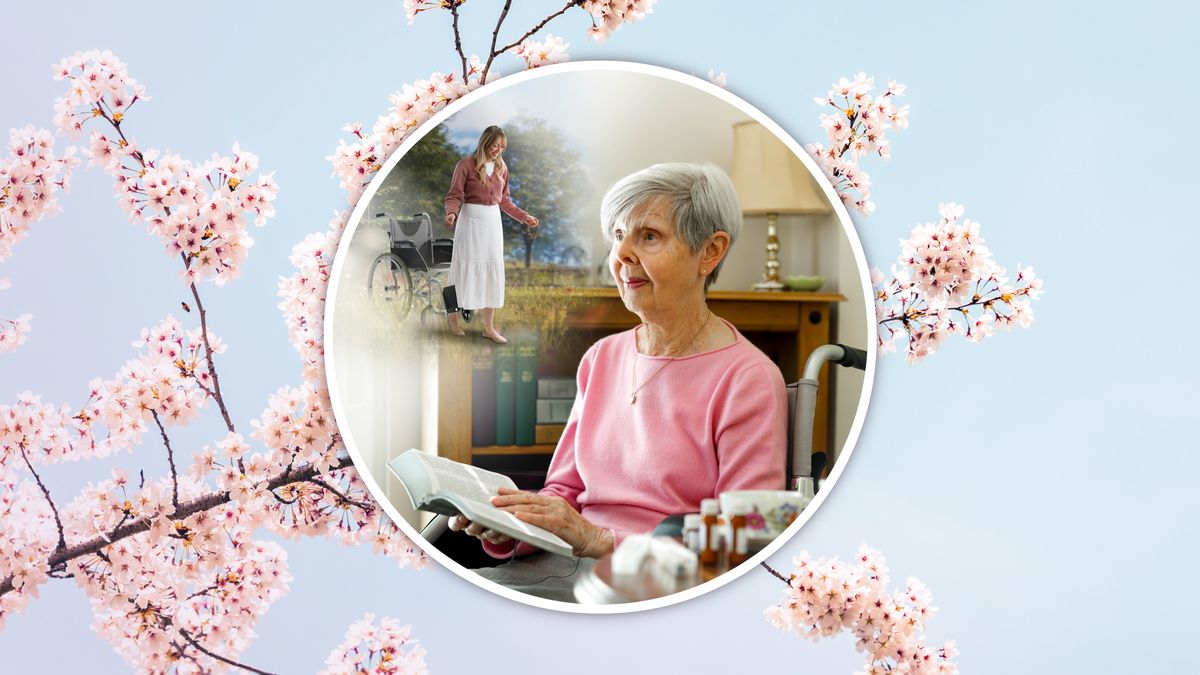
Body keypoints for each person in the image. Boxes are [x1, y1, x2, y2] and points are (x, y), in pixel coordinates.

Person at [449, 163, 787, 601]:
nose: (622, 253)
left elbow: (747, 543)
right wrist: (509, 527)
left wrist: (600, 540)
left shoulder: (750, 379)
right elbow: (565, 493)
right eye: (617, 235)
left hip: (654, 589)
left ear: (710, 252)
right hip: (560, 567)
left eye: (648, 235)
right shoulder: (602, 358)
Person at [443, 125, 539, 343]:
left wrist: (524, 217)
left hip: (492, 223)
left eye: (502, 147)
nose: (498, 150)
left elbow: (505, 201)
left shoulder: (502, 169)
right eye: (495, 145)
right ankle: (453, 319)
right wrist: (451, 213)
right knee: (463, 269)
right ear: (485, 142)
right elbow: (454, 195)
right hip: (470, 221)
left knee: (491, 271)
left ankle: (488, 327)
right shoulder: (465, 164)